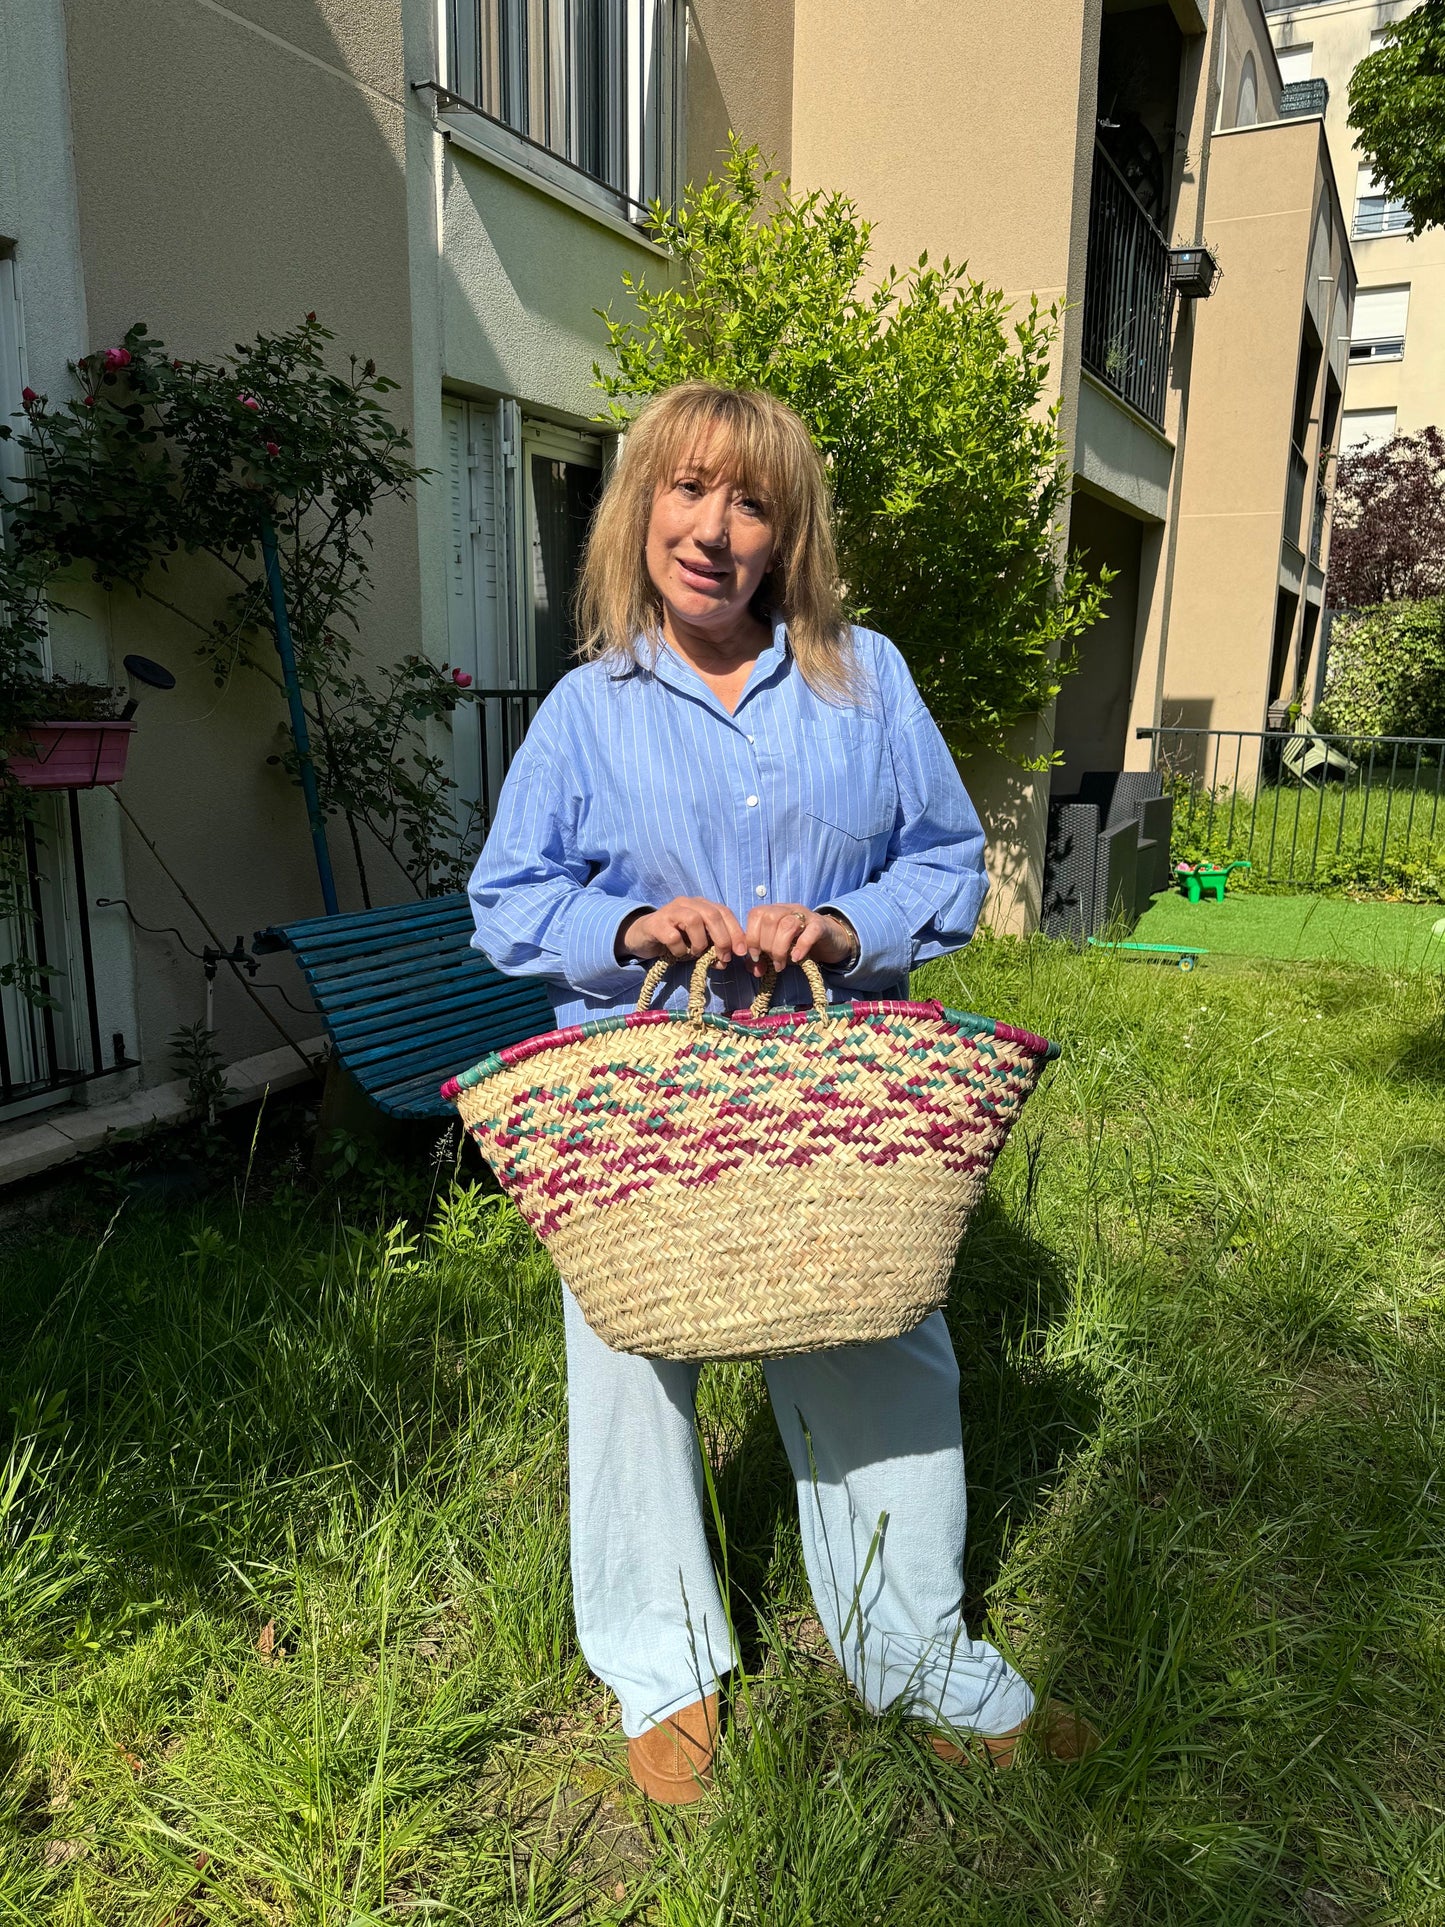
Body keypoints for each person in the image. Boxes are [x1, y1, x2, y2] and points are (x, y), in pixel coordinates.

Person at [467, 380, 1097, 1803]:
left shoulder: (862, 680)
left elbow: (941, 863)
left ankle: (915, 1650)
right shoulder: (584, 711)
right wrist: (629, 932)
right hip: (640, 1091)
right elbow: (505, 904)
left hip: (836, 1084)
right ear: (637, 514)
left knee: (882, 1343)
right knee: (631, 1366)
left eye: (750, 501)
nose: (712, 528)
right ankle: (663, 1664)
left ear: (785, 534)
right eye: (686, 491)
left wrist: (844, 930)